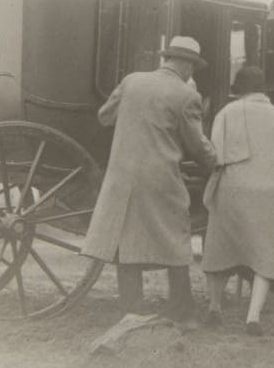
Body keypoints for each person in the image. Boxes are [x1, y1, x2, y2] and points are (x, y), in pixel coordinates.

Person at [81, 35, 217, 323]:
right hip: (160, 179)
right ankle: (182, 308)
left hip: (121, 176)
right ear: (186, 64)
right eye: (192, 66)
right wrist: (218, 163)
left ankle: (132, 307)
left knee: (125, 238)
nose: (192, 72)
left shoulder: (132, 81)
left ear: (166, 58)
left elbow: (104, 116)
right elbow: (197, 144)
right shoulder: (186, 95)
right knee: (175, 236)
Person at [201, 66, 274, 335]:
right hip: (268, 192)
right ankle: (253, 317)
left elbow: (213, 153)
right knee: (266, 253)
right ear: (263, 89)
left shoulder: (225, 113)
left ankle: (214, 307)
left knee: (219, 248)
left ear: (239, 89)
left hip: (231, 188)